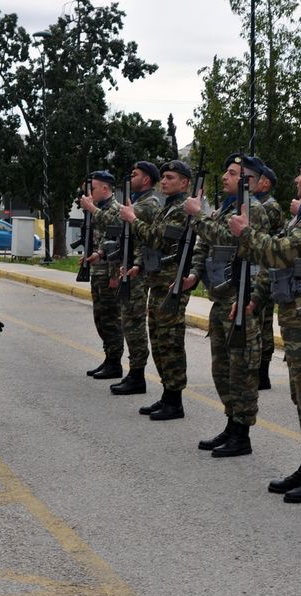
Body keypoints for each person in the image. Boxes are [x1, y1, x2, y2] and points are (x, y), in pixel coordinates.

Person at [229, 152, 301, 503]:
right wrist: (256, 298)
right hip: (297, 319)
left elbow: (279, 253)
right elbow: (280, 270)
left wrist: (246, 234)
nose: (297, 178)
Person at [185, 153, 269, 457]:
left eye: (232, 173)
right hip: (220, 297)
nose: (225, 176)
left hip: (240, 300)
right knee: (222, 369)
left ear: (249, 181)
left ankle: (242, 434)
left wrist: (199, 215)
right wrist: (195, 273)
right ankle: (231, 425)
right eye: (227, 171)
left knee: (241, 370)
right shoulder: (226, 209)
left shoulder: (254, 211)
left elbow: (232, 239)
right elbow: (205, 243)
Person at [119, 160, 194, 421]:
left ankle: (175, 400)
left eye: (170, 177)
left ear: (184, 182)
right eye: (163, 177)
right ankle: (167, 394)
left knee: (171, 342)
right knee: (159, 342)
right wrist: (139, 265)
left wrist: (133, 219)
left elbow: (156, 237)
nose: (164, 181)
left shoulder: (182, 210)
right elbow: (156, 247)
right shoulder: (168, 208)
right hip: (158, 282)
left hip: (172, 285)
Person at [110, 161, 162, 396]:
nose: (131, 177)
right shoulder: (139, 202)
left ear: (147, 180)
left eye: (136, 174)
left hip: (138, 271)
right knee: (129, 322)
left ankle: (137, 374)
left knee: (134, 324)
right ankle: (134, 373)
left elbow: (116, 221)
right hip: (130, 267)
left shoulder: (147, 204)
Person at [80, 171, 124, 381]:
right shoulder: (99, 210)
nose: (88, 194)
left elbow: (116, 242)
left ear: (105, 189)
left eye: (93, 189)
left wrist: (115, 275)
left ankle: (115, 362)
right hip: (98, 271)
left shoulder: (115, 209)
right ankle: (109, 358)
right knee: (100, 318)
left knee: (111, 319)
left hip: (109, 272)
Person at [254, 163, 283, 390]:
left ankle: (262, 372)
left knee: (263, 322)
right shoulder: (258, 204)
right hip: (260, 266)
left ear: (266, 183)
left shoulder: (270, 206)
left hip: (266, 266)